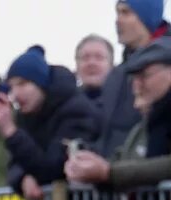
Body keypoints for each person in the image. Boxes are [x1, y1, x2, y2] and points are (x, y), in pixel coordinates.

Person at [0, 46, 101, 200]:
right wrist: (23, 178)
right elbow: (14, 164)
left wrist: (10, 132)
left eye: (23, 84)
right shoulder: (25, 115)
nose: (16, 94)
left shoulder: (76, 110)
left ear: (41, 84)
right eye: (12, 86)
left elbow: (54, 168)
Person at [67, 37, 171, 188]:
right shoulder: (144, 126)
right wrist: (90, 165)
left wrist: (109, 173)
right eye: (133, 78)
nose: (136, 86)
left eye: (145, 75)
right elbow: (124, 158)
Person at [95, 0, 168, 156]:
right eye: (117, 12)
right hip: (114, 174)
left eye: (126, 13)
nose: (117, 20)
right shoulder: (115, 75)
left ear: (147, 17)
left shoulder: (166, 68)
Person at [75, 34, 116, 106]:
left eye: (99, 57)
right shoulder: (65, 104)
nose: (91, 63)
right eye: (85, 57)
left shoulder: (126, 102)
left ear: (111, 66)